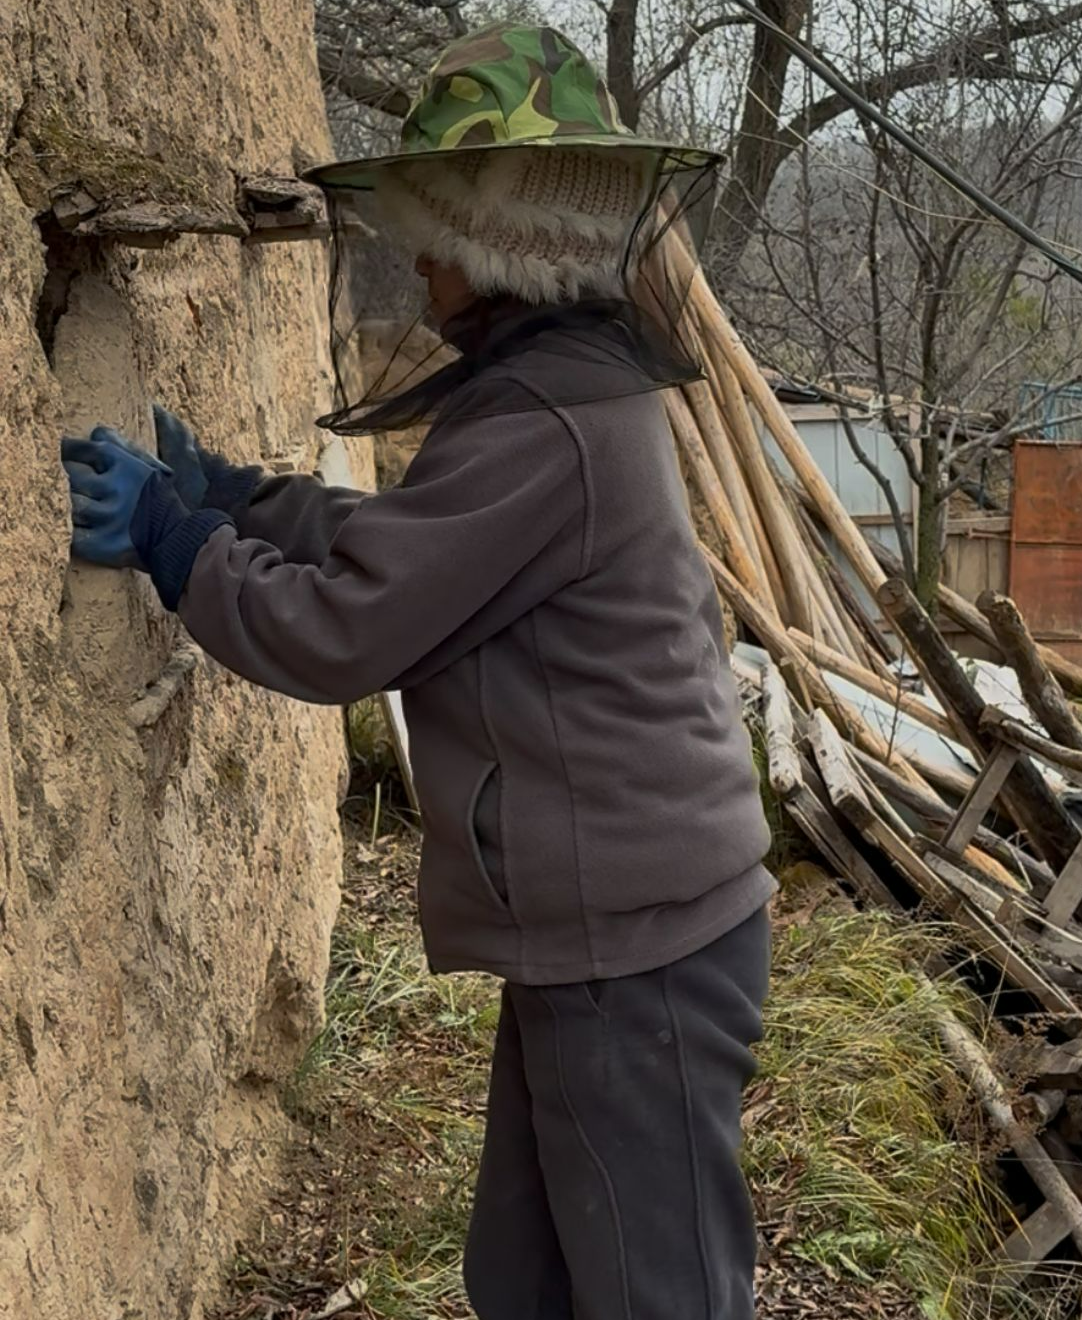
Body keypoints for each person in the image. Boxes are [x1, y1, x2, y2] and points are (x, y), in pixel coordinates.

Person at [61, 22, 775, 1320]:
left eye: (437, 223)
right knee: (528, 1275)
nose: (419, 255)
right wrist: (239, 500)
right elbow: (418, 552)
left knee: (655, 1296)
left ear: (506, 235)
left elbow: (350, 630)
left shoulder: (551, 413)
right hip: (613, 931)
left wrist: (177, 542)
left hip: (637, 948)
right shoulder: (555, 390)